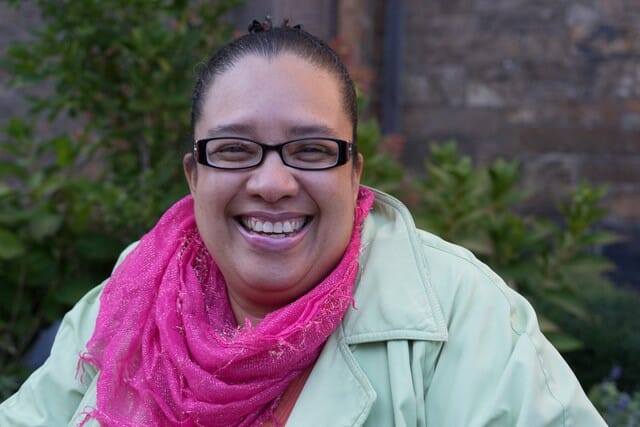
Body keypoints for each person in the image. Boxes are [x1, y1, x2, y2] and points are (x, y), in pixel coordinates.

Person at [0, 19, 606, 427]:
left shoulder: (457, 315)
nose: (271, 182)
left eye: (312, 151)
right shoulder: (126, 299)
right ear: (194, 176)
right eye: (235, 149)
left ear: (353, 174)